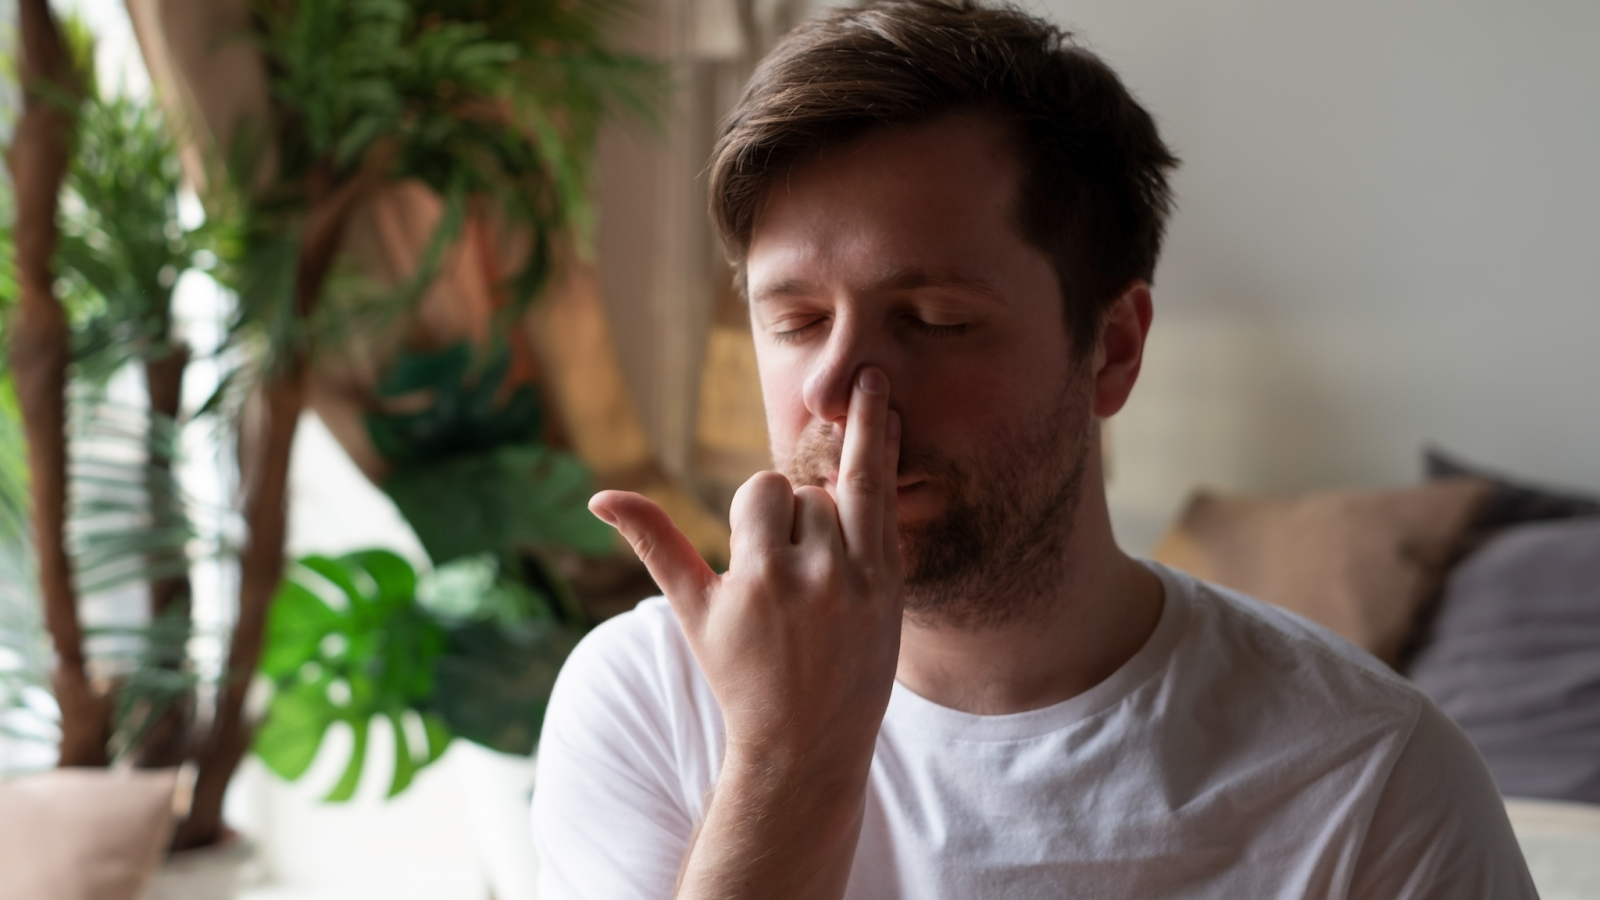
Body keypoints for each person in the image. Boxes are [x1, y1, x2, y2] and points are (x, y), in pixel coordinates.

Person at [531, 1, 1537, 897]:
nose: (835, 389)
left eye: (931, 318)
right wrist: (790, 760)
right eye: (793, 321)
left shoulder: (1370, 782)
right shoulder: (647, 701)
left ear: (1113, 349)